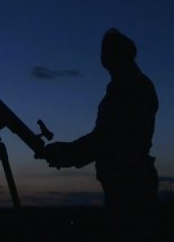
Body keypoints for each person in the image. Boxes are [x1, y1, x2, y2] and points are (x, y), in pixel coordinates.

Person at [38, 28, 159, 242]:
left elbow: (106, 139)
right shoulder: (132, 86)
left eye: (106, 53)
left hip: (129, 186)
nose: (103, 58)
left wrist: (65, 154)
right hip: (127, 183)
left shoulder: (129, 89)